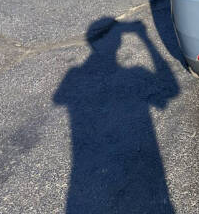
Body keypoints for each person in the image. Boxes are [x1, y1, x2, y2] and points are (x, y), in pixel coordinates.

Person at [54, 18, 179, 213]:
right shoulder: (136, 73)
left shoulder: (74, 75)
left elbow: (59, 99)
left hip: (87, 172)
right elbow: (172, 90)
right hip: (138, 172)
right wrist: (146, 39)